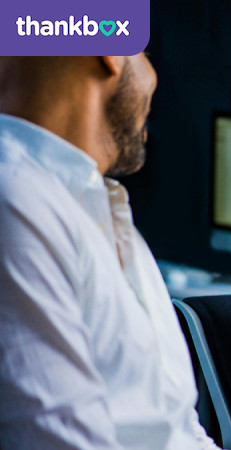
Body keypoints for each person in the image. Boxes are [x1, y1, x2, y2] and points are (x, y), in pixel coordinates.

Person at [0, 56, 218, 449]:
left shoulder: (100, 211)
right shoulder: (15, 203)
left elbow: (177, 431)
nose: (153, 76)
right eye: (146, 51)